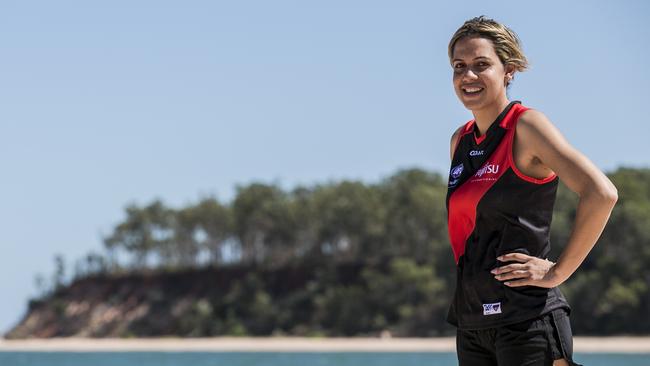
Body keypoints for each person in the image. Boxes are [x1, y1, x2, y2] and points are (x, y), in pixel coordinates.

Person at [445, 16, 618, 366]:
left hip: (527, 321)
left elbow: (601, 193)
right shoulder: (459, 141)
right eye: (459, 66)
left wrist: (557, 272)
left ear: (508, 70)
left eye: (482, 65)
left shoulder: (526, 126)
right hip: (472, 324)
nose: (468, 76)